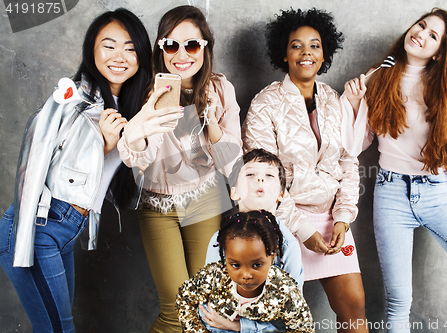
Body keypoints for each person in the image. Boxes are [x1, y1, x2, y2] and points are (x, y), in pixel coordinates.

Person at [0, 8, 159, 332]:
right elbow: (31, 165)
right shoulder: (71, 99)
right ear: (92, 50)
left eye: (130, 48)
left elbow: (124, 180)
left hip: (64, 231)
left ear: (141, 55)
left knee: (55, 328)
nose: (120, 56)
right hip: (38, 226)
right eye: (109, 45)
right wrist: (102, 146)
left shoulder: (124, 107)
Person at [343, 8, 447, 333]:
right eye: (422, 25)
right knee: (399, 301)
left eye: (433, 35)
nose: (421, 34)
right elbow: (356, 144)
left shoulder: (446, 91)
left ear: (440, 51)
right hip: (390, 196)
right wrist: (356, 101)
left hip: (436, 193)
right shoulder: (380, 78)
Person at [118, 5, 242, 332]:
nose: (181, 54)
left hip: (205, 201)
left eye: (192, 45)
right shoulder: (146, 91)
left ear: (205, 48)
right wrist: (151, 116)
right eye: (171, 45)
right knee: (176, 313)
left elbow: (234, 166)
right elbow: (138, 163)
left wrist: (212, 124)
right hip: (158, 205)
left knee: (205, 308)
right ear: (161, 48)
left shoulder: (220, 89)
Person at [242, 8, 368, 332]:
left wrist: (343, 216)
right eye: (296, 45)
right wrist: (300, 230)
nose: (306, 53)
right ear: (284, 54)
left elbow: (348, 161)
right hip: (282, 221)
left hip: (331, 220)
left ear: (324, 53)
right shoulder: (265, 104)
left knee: (354, 309)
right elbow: (260, 180)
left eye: (314, 45)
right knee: (282, 322)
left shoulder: (332, 99)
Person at [204, 148, 304, 332]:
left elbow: (293, 314)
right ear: (234, 193)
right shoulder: (219, 241)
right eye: (250, 174)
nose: (260, 179)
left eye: (269, 175)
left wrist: (242, 326)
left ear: (281, 194)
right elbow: (209, 308)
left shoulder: (288, 246)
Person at [176, 210, 314, 333]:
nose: (246, 275)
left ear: (273, 256)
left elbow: (303, 328)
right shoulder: (214, 275)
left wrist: (243, 326)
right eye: (235, 265)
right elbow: (184, 299)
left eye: (257, 265)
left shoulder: (284, 289)